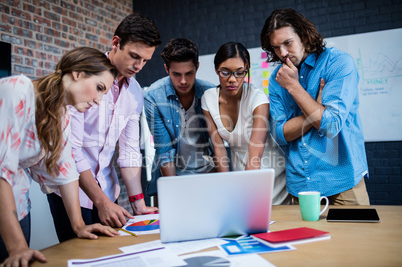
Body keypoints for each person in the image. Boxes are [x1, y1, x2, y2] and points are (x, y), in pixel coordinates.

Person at [46, 13, 161, 242]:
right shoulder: (85, 77)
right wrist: (100, 202)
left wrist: (138, 202)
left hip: (109, 192)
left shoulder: (135, 92)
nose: (139, 66)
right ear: (116, 43)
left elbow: (128, 151)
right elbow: (71, 150)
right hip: (72, 192)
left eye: (145, 60)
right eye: (134, 56)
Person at [0, 47, 119, 266]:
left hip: (17, 209)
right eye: (99, 88)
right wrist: (17, 246)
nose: (99, 100)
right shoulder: (18, 90)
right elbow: (0, 172)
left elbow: (64, 171)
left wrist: (78, 225)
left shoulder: (60, 115)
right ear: (78, 73)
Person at [260, 8, 370, 205]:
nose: (283, 53)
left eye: (287, 43)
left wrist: (294, 87)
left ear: (303, 35)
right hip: (300, 187)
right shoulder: (277, 80)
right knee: (305, 238)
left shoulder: (338, 63)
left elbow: (330, 125)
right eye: (276, 47)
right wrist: (317, 108)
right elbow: (279, 135)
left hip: (343, 185)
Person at [201, 42, 289, 204]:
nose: (232, 79)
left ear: (247, 70)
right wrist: (226, 187)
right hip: (240, 175)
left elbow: (255, 153)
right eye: (225, 72)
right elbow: (219, 150)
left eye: (239, 73)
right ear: (216, 70)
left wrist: (245, 193)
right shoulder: (208, 98)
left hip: (269, 175)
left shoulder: (257, 99)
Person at [144, 38, 215, 200]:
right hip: (174, 176)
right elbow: (164, 150)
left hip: (209, 174)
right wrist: (175, 195)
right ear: (166, 69)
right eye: (176, 74)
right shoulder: (153, 97)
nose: (183, 81)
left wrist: (221, 181)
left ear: (197, 67)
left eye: (189, 73)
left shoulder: (210, 92)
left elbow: (218, 143)